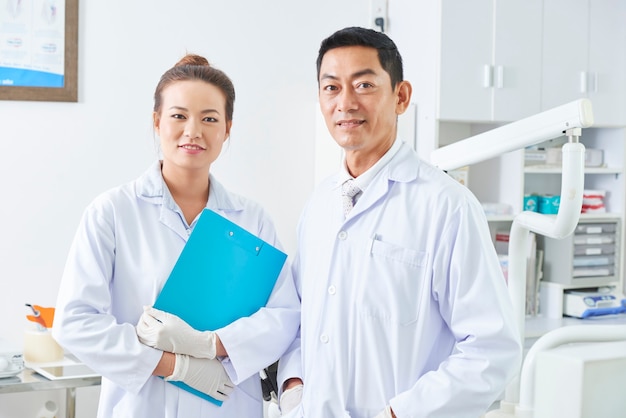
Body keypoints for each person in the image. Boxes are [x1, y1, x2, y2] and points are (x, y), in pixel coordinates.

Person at [276, 27, 523, 418]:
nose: (346, 103)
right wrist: (293, 388)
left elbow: (492, 349)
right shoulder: (318, 205)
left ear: (401, 96)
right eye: (331, 88)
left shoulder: (446, 206)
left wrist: (399, 413)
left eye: (364, 85)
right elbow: (298, 318)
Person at [52, 54, 300, 418]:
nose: (193, 131)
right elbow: (75, 322)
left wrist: (213, 345)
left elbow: (283, 317)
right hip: (140, 406)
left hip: (227, 405)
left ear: (227, 129)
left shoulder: (251, 219)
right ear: (157, 122)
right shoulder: (113, 211)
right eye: (179, 116)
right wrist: (174, 366)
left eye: (210, 119)